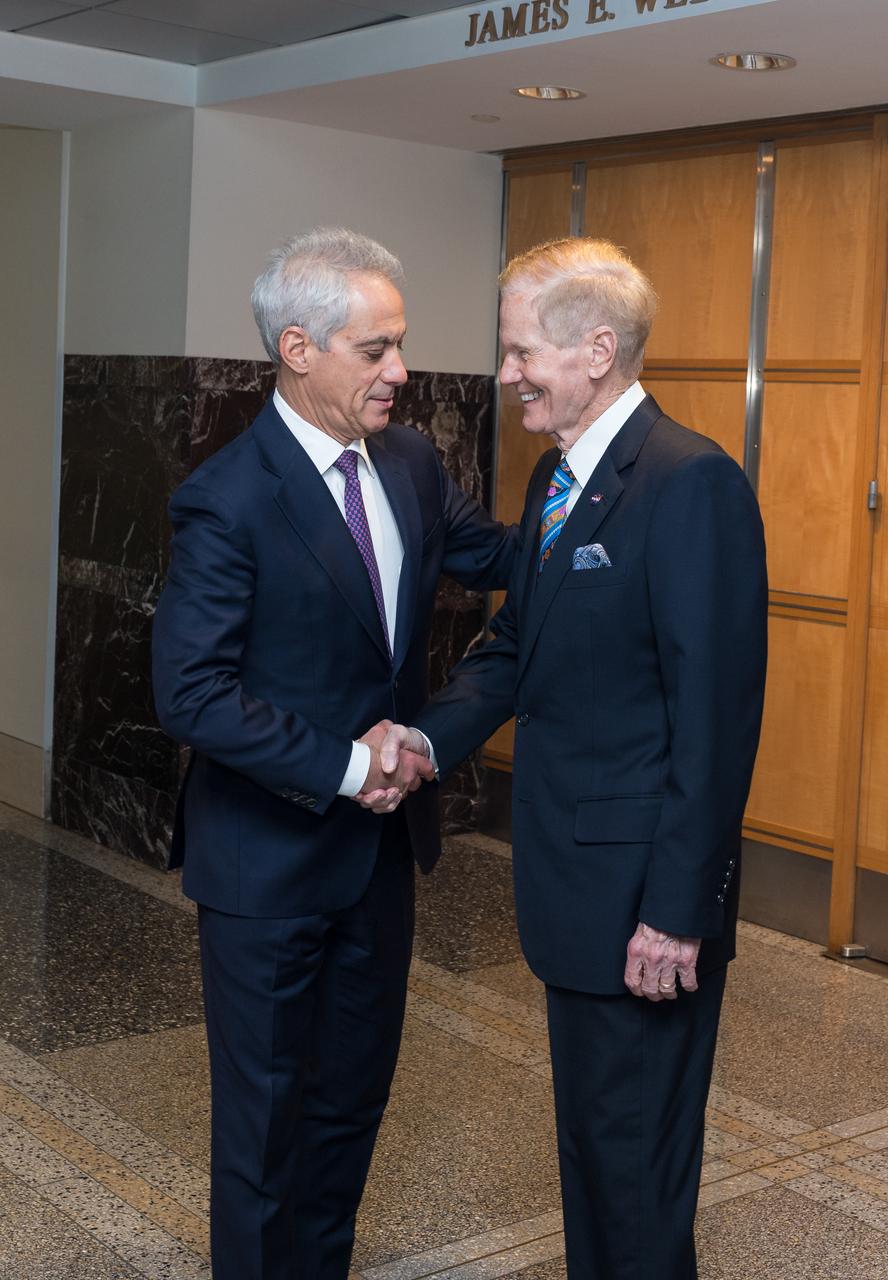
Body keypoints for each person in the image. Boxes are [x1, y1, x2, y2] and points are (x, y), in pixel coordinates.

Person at [370, 237, 768, 1279]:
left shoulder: (690, 484)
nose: (505, 376)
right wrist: (423, 738)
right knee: (597, 1154)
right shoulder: (560, 475)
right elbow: (515, 646)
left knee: (635, 1173)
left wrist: (678, 908)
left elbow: (715, 720)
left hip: (644, 902)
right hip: (579, 893)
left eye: (517, 353)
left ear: (596, 349)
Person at [151, 227, 518, 1280]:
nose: (402, 371)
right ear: (299, 347)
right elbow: (192, 694)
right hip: (266, 865)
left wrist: (600, 491)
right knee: (263, 1135)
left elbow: (491, 553)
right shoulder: (228, 495)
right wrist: (355, 767)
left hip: (378, 867)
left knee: (349, 1112)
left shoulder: (406, 458)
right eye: (378, 349)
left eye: (400, 345)